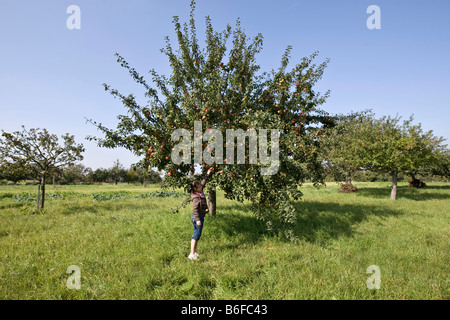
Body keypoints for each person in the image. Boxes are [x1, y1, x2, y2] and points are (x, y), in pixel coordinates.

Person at [188, 166, 214, 260]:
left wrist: (208, 173)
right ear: (196, 189)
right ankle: (192, 254)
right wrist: (198, 219)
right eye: (199, 186)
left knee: (197, 234)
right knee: (196, 235)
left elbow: (204, 182)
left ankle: (194, 252)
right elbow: (195, 209)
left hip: (200, 216)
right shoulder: (195, 197)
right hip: (197, 217)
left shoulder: (199, 192)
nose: (201, 187)